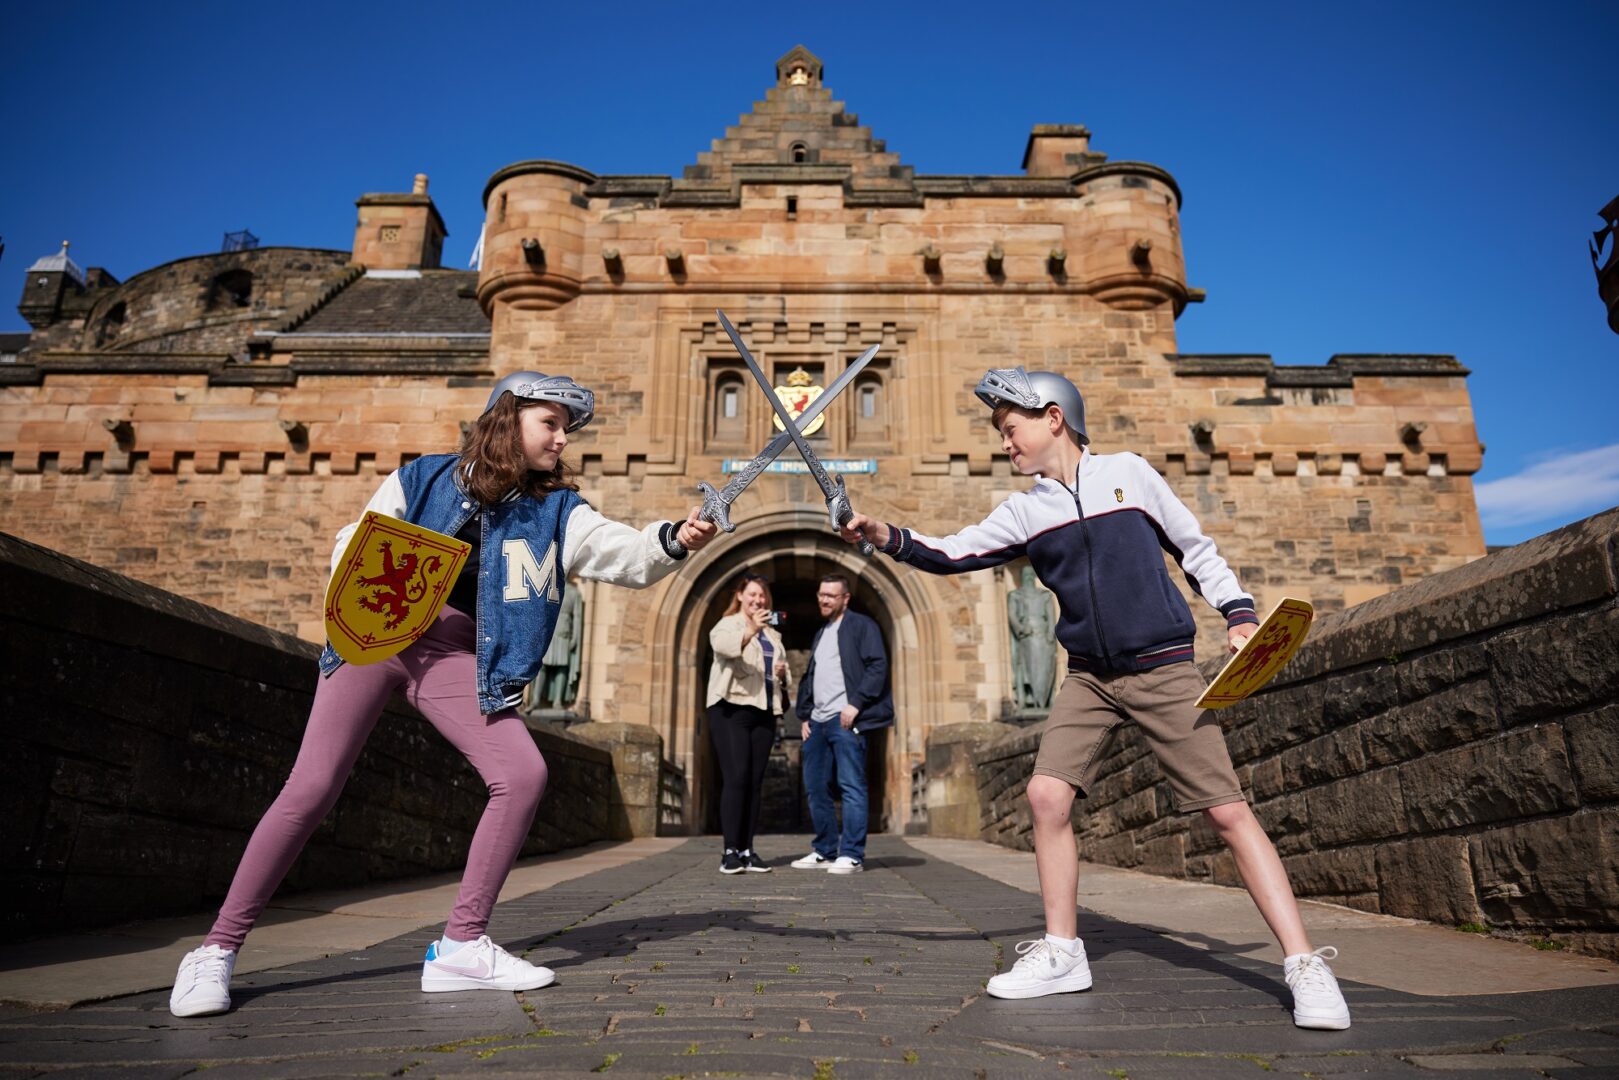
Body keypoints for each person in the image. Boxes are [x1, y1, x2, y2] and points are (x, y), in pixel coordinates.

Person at [168, 371, 718, 1018]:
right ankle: (216, 950)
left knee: (521, 771)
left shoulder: (556, 510)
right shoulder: (423, 476)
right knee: (312, 787)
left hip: (455, 658)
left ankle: (461, 944)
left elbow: (619, 552)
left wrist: (673, 539)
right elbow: (359, 540)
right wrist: (360, 572)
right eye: (551, 423)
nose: (562, 440)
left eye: (566, 429)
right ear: (507, 418)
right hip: (377, 635)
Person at [837, 367, 1351, 1031]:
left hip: (1163, 667)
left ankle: (1303, 962)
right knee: (1045, 796)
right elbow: (952, 553)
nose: (1004, 444)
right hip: (1087, 676)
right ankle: (1062, 951)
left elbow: (1194, 548)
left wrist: (1238, 614)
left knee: (1225, 813)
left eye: (1009, 428)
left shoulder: (1130, 475)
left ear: (1053, 416)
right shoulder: (1025, 509)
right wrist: (885, 536)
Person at [789, 574, 892, 875]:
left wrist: (856, 703)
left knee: (851, 785)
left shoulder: (862, 626)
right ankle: (823, 850)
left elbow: (878, 665)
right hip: (818, 723)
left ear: (845, 598)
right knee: (816, 788)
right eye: (821, 594)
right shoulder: (821, 633)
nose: (823, 600)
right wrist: (805, 714)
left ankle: (852, 854)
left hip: (845, 720)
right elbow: (811, 677)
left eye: (830, 596)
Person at [705, 573, 790, 874]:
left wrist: (781, 674)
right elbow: (725, 648)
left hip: (764, 710)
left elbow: (783, 673)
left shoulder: (773, 635)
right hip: (731, 708)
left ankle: (747, 849)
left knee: (754, 783)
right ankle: (729, 851)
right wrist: (752, 628)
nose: (758, 600)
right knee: (737, 777)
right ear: (740, 595)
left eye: (762, 596)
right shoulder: (727, 624)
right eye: (753, 594)